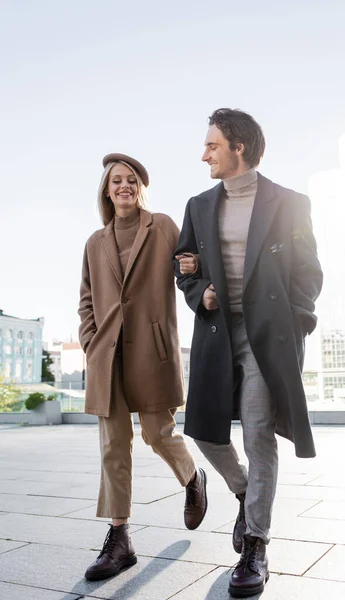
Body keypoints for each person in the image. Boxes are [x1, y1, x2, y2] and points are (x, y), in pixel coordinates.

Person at [174, 109, 323, 597]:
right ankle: (243, 492)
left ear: (238, 147)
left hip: (266, 336)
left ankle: (255, 544)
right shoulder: (198, 205)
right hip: (217, 334)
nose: (204, 154)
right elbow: (184, 268)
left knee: (259, 432)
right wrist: (201, 294)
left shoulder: (289, 203)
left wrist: (297, 321)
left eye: (212, 145)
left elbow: (308, 272)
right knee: (203, 430)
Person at [78, 153, 207, 581]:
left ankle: (192, 478)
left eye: (131, 180)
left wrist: (192, 266)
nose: (124, 186)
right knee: (114, 446)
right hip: (106, 356)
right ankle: (120, 541)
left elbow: (188, 267)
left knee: (157, 433)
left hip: (150, 351)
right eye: (116, 180)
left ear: (140, 187)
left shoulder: (164, 226)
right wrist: (90, 342)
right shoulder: (95, 242)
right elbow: (86, 299)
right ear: (106, 190)